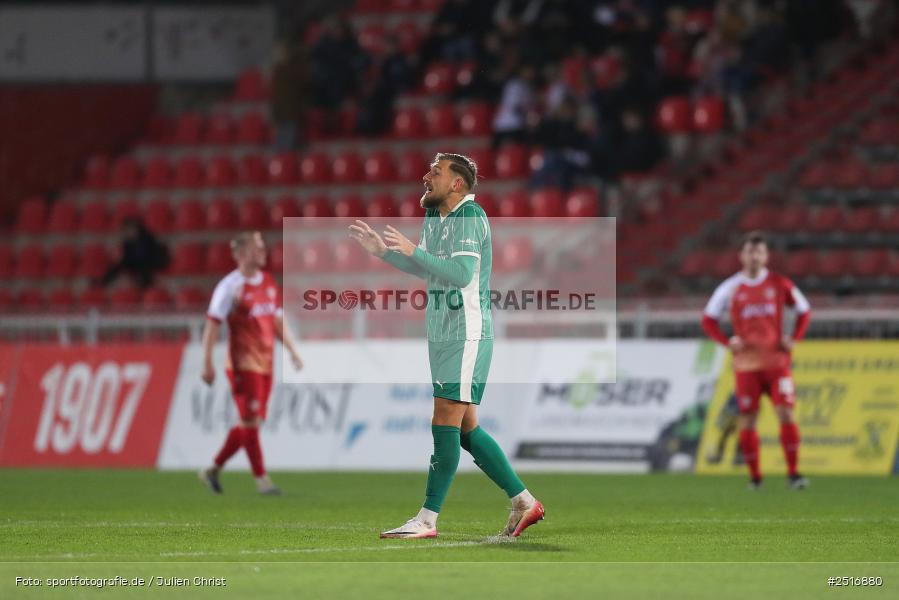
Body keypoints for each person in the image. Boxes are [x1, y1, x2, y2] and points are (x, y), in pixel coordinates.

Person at [349, 153, 544, 539]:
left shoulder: (470, 217)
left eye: (435, 173)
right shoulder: (435, 217)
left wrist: (412, 250)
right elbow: (426, 267)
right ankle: (524, 502)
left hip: (466, 331)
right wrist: (385, 253)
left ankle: (426, 519)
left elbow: (461, 273)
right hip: (442, 332)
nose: (425, 177)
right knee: (466, 427)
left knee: (444, 417)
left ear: (457, 183)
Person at [701, 231, 811, 490]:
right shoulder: (730, 288)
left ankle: (794, 474)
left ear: (766, 256)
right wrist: (727, 341)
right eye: (750, 251)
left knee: (786, 413)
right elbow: (708, 319)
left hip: (777, 364)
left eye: (759, 252)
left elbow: (804, 311)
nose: (754, 257)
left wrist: (794, 337)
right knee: (748, 419)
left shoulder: (779, 283)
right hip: (746, 366)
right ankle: (755, 478)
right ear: (742, 256)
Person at [198, 231, 303, 496]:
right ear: (242, 254)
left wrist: (292, 350)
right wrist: (207, 363)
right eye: (257, 247)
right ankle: (262, 480)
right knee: (251, 421)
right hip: (241, 364)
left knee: (251, 423)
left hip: (266, 364)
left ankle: (212, 469)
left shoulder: (268, 282)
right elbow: (212, 326)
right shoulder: (229, 287)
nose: (263, 251)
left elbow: (276, 322)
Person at [100, 217, 169, 289]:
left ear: (135, 228)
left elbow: (149, 253)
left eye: (129, 229)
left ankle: (146, 286)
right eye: (126, 230)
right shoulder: (127, 241)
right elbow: (127, 256)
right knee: (119, 265)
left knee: (143, 265)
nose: (128, 232)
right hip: (136, 262)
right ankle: (104, 282)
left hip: (151, 261)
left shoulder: (146, 237)